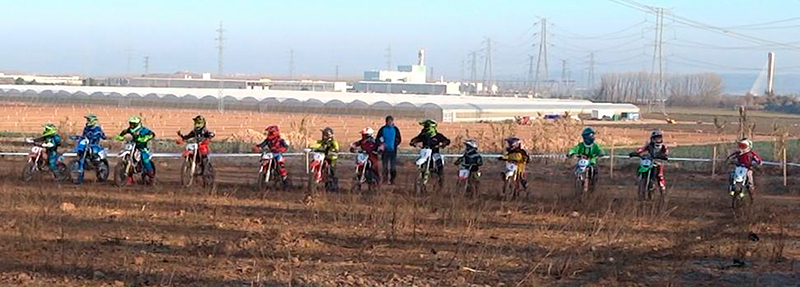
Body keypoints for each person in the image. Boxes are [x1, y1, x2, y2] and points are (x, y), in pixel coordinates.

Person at [409, 119, 450, 185]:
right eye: (424, 127)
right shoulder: (424, 135)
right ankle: (421, 176)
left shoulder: (438, 136)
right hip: (425, 153)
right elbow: (416, 139)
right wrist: (413, 142)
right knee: (420, 160)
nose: (425, 128)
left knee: (439, 161)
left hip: (434, 153)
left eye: (426, 126)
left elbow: (447, 141)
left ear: (432, 127)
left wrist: (443, 144)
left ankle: (441, 179)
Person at [376, 115, 401, 185]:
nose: (389, 122)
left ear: (392, 121)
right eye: (388, 121)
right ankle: (385, 179)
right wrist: (381, 145)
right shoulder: (382, 129)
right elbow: (378, 138)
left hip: (393, 151)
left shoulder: (395, 129)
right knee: (385, 166)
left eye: (391, 121)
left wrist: (395, 144)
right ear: (386, 122)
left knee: (393, 167)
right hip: (385, 151)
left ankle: (392, 180)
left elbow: (399, 139)